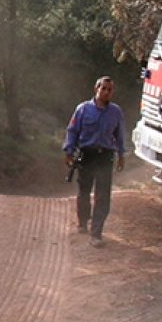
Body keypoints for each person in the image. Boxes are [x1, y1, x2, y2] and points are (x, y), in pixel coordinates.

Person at [64, 75, 128, 243]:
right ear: (96, 89)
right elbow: (72, 130)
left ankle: (96, 232)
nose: (106, 92)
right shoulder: (83, 109)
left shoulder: (115, 112)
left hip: (105, 156)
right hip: (87, 155)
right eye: (103, 88)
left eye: (110, 89)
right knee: (84, 191)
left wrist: (121, 155)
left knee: (103, 196)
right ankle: (83, 222)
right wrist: (69, 152)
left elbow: (120, 135)